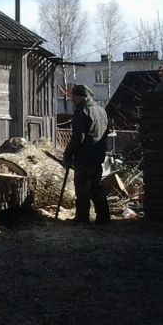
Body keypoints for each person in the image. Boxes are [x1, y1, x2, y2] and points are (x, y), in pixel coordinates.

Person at [62, 83, 110, 224]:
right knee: (96, 188)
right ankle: (104, 217)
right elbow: (106, 133)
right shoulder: (101, 111)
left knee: (82, 188)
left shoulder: (82, 111)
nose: (71, 99)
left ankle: (82, 218)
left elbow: (78, 138)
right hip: (98, 156)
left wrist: (68, 154)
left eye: (73, 96)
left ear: (80, 97)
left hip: (85, 157)